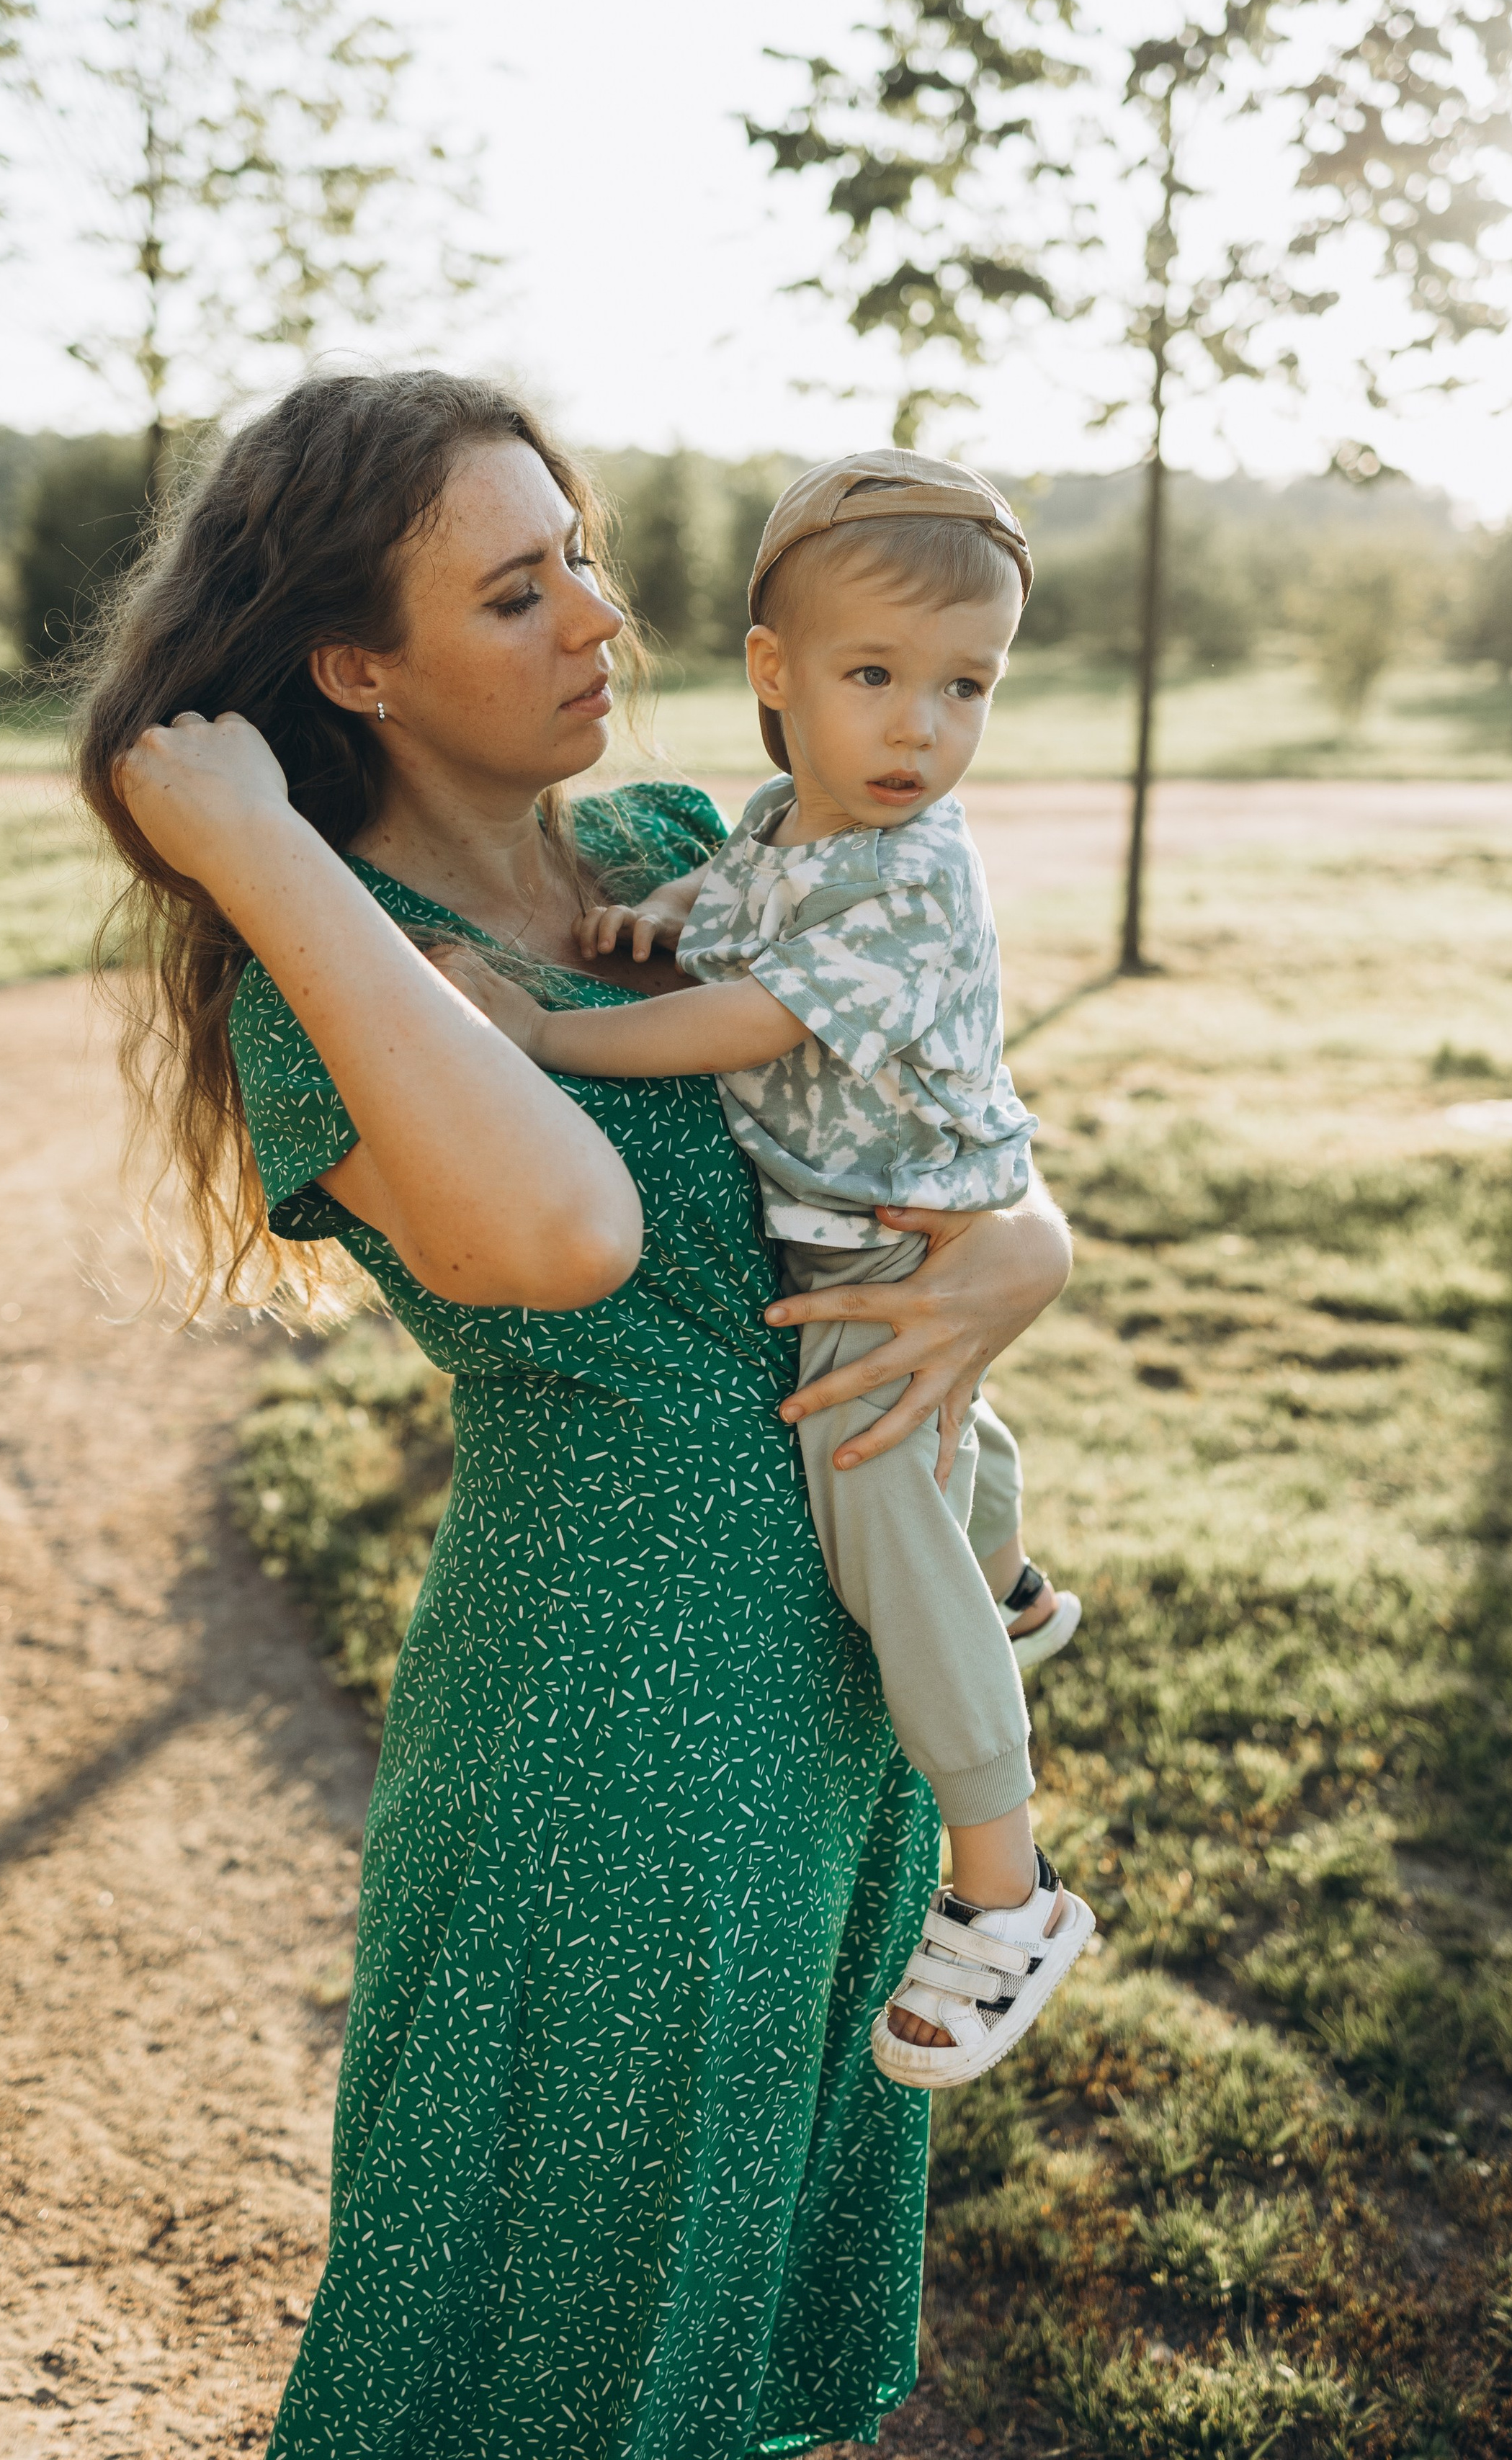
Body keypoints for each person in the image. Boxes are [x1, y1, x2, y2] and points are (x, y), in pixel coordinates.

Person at [75, 370, 1074, 2460]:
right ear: (361, 668)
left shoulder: (669, 847)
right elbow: (568, 1228)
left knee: (722, 2312)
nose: (606, 626)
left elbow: (911, 1089)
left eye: (588, 561)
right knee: (551, 2320)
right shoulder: (317, 986)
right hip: (622, 1724)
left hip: (840, 1684)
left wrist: (1025, 1250)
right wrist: (267, 857)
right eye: (519, 594)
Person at [432, 452, 1092, 2093]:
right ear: (774, 678)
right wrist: (663, 909)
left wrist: (546, 1030)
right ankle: (1004, 1580)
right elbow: (736, 919)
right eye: (874, 679)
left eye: (964, 688)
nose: (919, 731)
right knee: (945, 1459)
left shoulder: (916, 871)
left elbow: (748, 1022)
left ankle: (1005, 1890)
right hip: (870, 1211)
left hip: (888, 1236)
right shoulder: (782, 821)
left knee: (876, 1502)